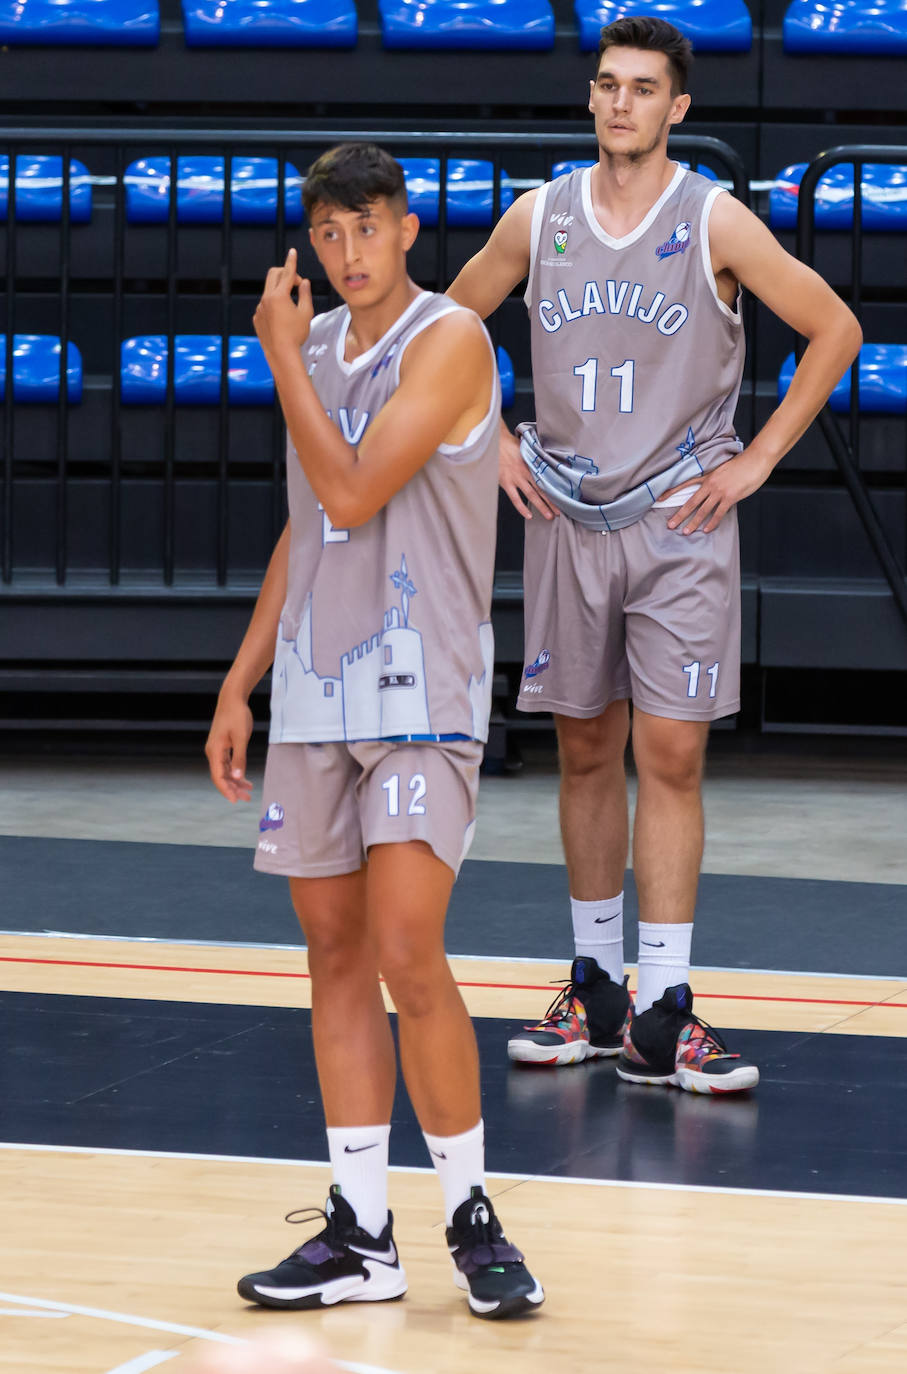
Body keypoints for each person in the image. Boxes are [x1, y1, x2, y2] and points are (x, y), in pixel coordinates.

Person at [447, 16, 861, 1089]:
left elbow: (834, 328)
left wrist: (758, 460)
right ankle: (593, 988)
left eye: (641, 88)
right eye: (605, 85)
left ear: (677, 108)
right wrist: (491, 440)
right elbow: (444, 330)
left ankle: (664, 1009)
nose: (619, 102)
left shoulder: (712, 219)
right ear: (590, 99)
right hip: (569, 518)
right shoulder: (539, 217)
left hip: (679, 521)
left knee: (670, 758)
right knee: (584, 751)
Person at [205, 142, 543, 1319]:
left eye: (367, 227)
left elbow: (353, 487)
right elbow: (311, 525)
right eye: (329, 233)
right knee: (335, 956)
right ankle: (360, 1234)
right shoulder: (326, 353)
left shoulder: (449, 340)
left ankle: (469, 1215)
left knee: (407, 945)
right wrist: (240, 681)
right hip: (313, 691)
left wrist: (282, 358)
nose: (349, 252)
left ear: (407, 228)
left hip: (421, 690)